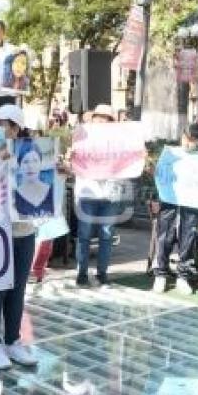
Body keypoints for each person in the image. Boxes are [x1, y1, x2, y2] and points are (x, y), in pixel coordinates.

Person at [0, 104, 38, 370]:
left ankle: (13, 341)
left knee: (17, 289)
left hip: (24, 230)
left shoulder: (33, 153)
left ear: (15, 128)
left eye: (2, 123)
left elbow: (40, 187)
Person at [71, 104, 128, 287]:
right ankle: (81, 272)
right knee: (84, 234)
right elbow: (73, 160)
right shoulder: (82, 136)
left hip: (109, 193)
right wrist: (71, 156)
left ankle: (102, 273)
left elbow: (128, 162)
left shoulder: (119, 141)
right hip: (87, 192)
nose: (101, 121)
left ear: (111, 121)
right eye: (99, 117)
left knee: (106, 234)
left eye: (106, 118)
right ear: (93, 119)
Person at [151, 123, 198, 295]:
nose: (188, 143)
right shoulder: (170, 154)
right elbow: (160, 175)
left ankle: (183, 276)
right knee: (164, 235)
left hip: (191, 201)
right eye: (186, 138)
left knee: (188, 236)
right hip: (169, 199)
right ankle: (160, 274)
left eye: (192, 140)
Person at [13, 138, 54, 218]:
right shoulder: (14, 196)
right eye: (26, 162)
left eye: (35, 161)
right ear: (19, 165)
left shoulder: (52, 192)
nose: (30, 166)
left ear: (40, 164)